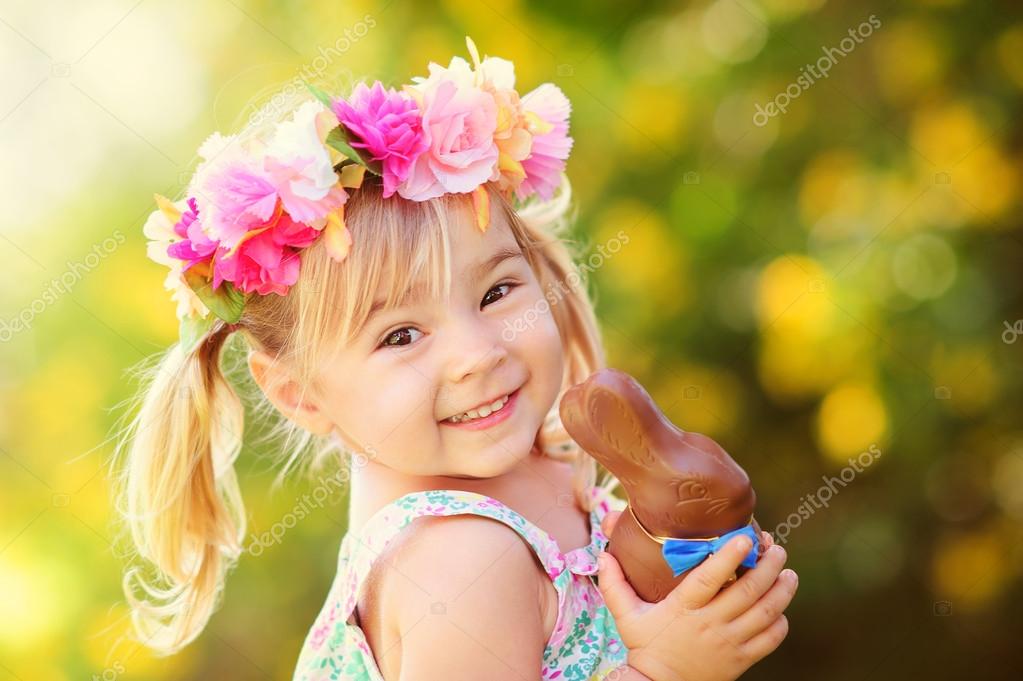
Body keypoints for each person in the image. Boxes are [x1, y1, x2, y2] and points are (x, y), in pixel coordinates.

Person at [113, 37, 797, 681]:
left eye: (497, 291)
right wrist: (661, 670)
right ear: (300, 394)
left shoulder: (542, 468)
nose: (477, 354)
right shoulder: (459, 562)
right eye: (401, 336)